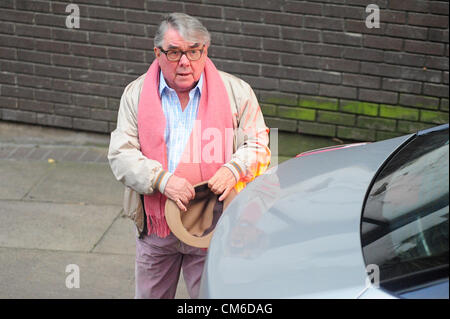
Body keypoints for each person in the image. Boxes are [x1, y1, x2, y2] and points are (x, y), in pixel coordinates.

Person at [108, 12, 271, 299]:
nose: (185, 62)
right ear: (157, 52)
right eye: (174, 52)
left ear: (204, 50)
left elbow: (259, 144)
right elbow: (121, 155)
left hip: (212, 224)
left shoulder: (237, 91)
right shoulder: (135, 94)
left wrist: (233, 169)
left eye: (193, 51)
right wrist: (162, 180)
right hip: (156, 227)